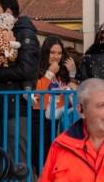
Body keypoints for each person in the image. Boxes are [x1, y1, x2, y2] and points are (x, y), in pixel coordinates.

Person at [0, 0, 40, 168]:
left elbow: (27, 69)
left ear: (8, 12)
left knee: (18, 159)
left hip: (16, 105)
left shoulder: (25, 34)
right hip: (3, 104)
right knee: (1, 158)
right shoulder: (2, 34)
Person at [31, 36, 78, 170]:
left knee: (58, 156)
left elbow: (73, 91)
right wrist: (50, 73)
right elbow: (36, 93)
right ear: (46, 52)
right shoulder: (36, 68)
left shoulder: (63, 70)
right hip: (40, 116)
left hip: (60, 118)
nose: (56, 56)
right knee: (41, 157)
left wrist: (72, 74)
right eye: (52, 52)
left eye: (59, 53)